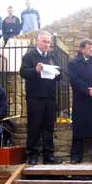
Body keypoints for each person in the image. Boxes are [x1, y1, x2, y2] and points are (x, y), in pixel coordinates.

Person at [20, 30, 61, 165]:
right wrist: (35, 70)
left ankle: (49, 155)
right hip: (35, 98)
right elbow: (23, 72)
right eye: (44, 41)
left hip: (50, 97)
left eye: (48, 42)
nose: (47, 44)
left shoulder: (52, 56)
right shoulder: (29, 56)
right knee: (34, 127)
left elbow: (60, 74)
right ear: (37, 41)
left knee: (49, 127)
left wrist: (56, 73)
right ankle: (33, 155)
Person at [68, 39, 92, 164]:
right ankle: (76, 156)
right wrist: (87, 90)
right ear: (82, 49)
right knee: (79, 127)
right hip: (81, 100)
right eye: (89, 48)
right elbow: (74, 80)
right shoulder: (73, 63)